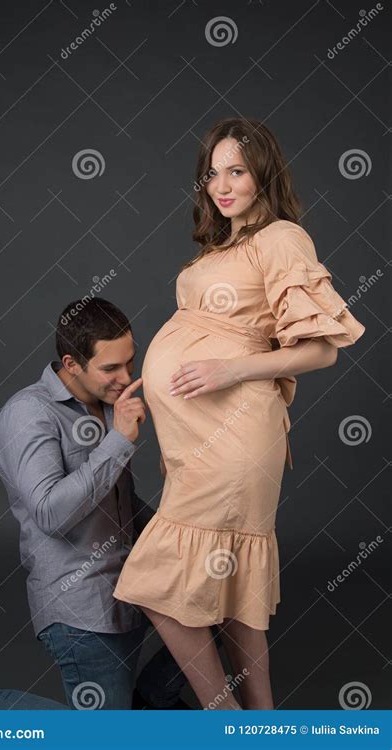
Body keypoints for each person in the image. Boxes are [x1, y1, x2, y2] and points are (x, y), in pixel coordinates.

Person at [113, 117, 366, 710]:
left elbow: (323, 348)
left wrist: (229, 371)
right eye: (213, 173)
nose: (222, 185)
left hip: (231, 436)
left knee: (156, 581)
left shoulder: (281, 238)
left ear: (263, 175)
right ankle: (262, 723)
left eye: (237, 171)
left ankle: (221, 720)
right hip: (198, 440)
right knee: (231, 587)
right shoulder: (221, 247)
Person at [0, 298, 193, 711]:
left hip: (132, 588)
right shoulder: (27, 415)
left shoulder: (107, 405)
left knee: (225, 607)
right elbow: (51, 513)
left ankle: (150, 700)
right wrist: (119, 441)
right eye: (110, 368)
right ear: (71, 363)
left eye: (130, 362)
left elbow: (118, 505)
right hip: (81, 608)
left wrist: (179, 536)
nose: (126, 378)